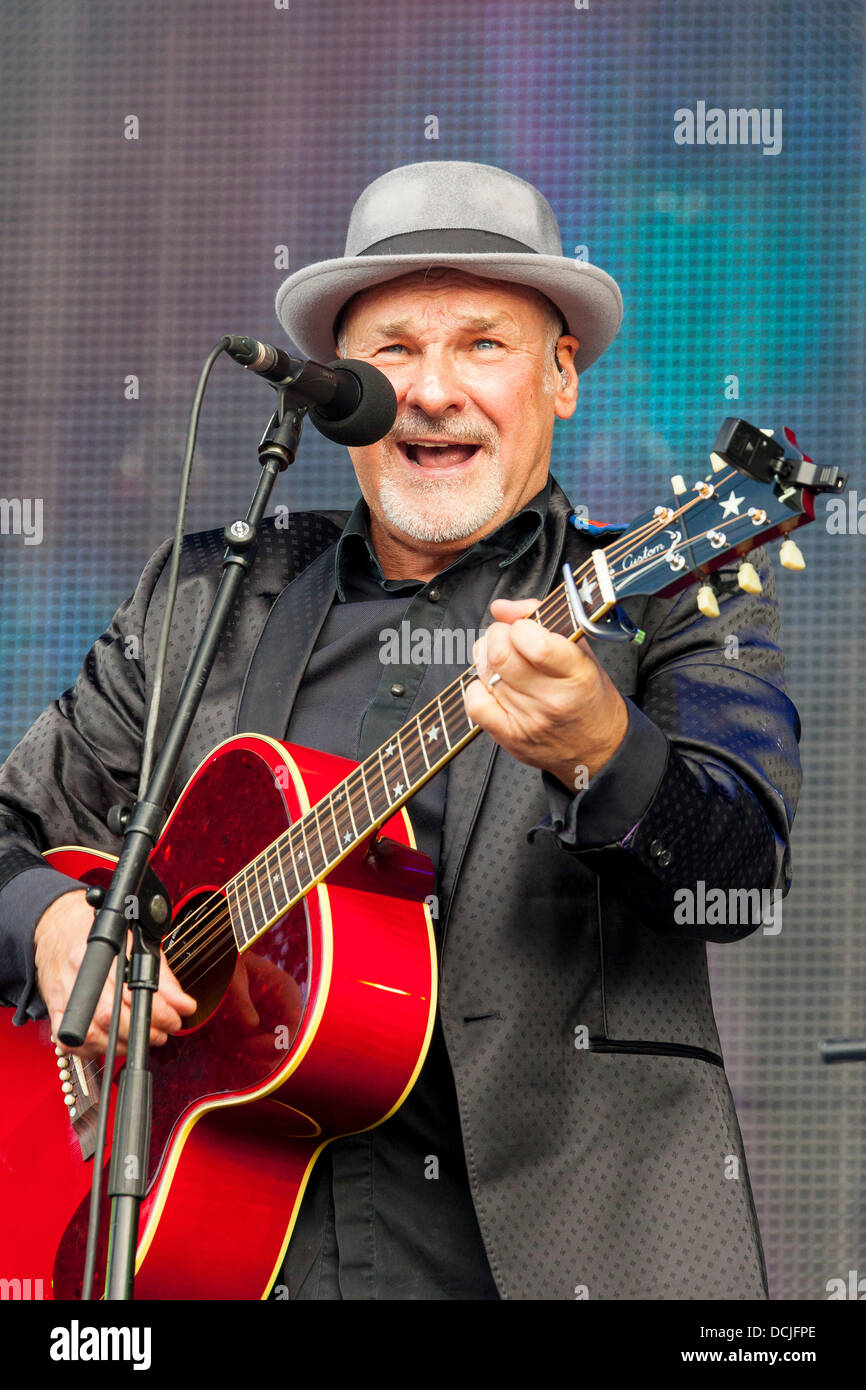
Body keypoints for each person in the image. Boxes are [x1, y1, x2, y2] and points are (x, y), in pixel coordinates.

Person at [0, 161, 801, 1300]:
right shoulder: (203, 602)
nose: (432, 391)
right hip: (214, 1250)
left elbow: (739, 872)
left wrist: (598, 748)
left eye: (483, 344)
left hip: (560, 1260)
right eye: (391, 349)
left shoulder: (658, 597)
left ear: (561, 377)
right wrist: (49, 929)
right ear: (335, 392)